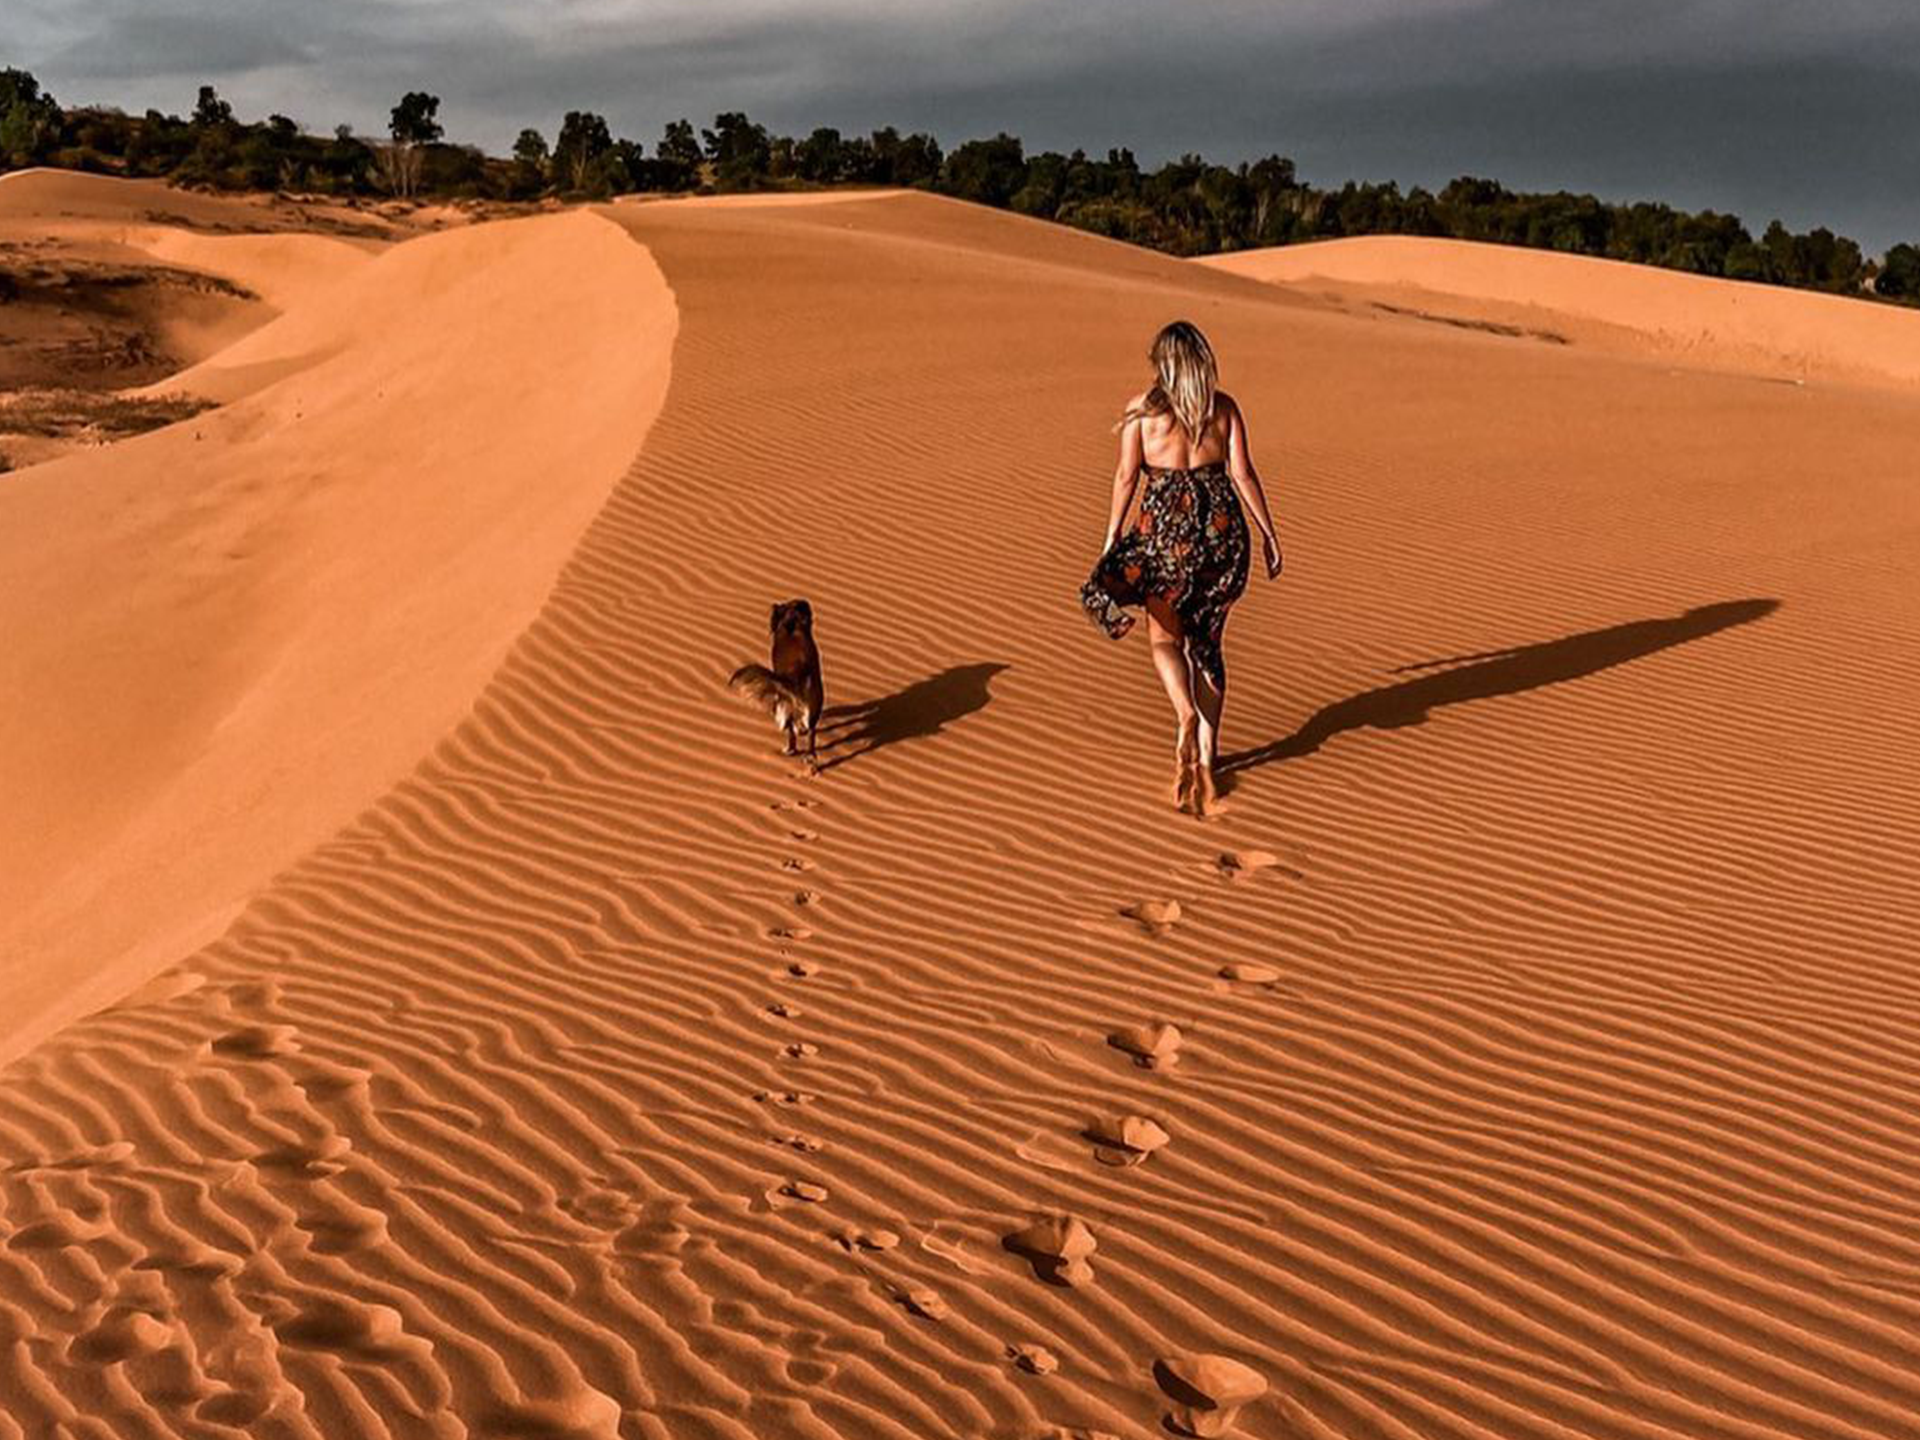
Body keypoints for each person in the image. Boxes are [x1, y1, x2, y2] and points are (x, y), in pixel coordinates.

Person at [1080, 319, 1281, 815]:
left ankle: (1184, 713)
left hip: (1166, 541)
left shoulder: (1141, 414)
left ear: (1162, 365)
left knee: (1164, 640)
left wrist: (1111, 538)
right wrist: (1270, 533)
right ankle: (1209, 760)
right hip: (1220, 539)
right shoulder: (1224, 409)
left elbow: (1127, 476)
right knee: (1208, 645)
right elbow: (1242, 473)